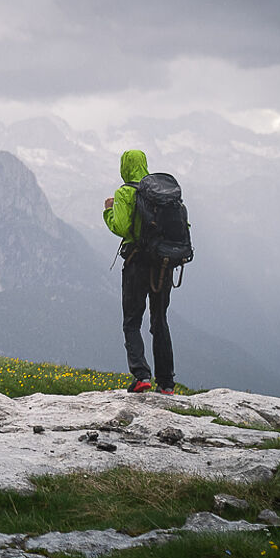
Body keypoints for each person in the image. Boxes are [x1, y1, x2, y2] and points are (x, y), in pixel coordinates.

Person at [104, 148, 175, 394]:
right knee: (160, 321)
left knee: (132, 322)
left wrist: (108, 211)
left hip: (137, 264)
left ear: (125, 166)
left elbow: (121, 227)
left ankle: (142, 375)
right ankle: (166, 383)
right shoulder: (163, 193)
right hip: (164, 265)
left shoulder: (125, 193)